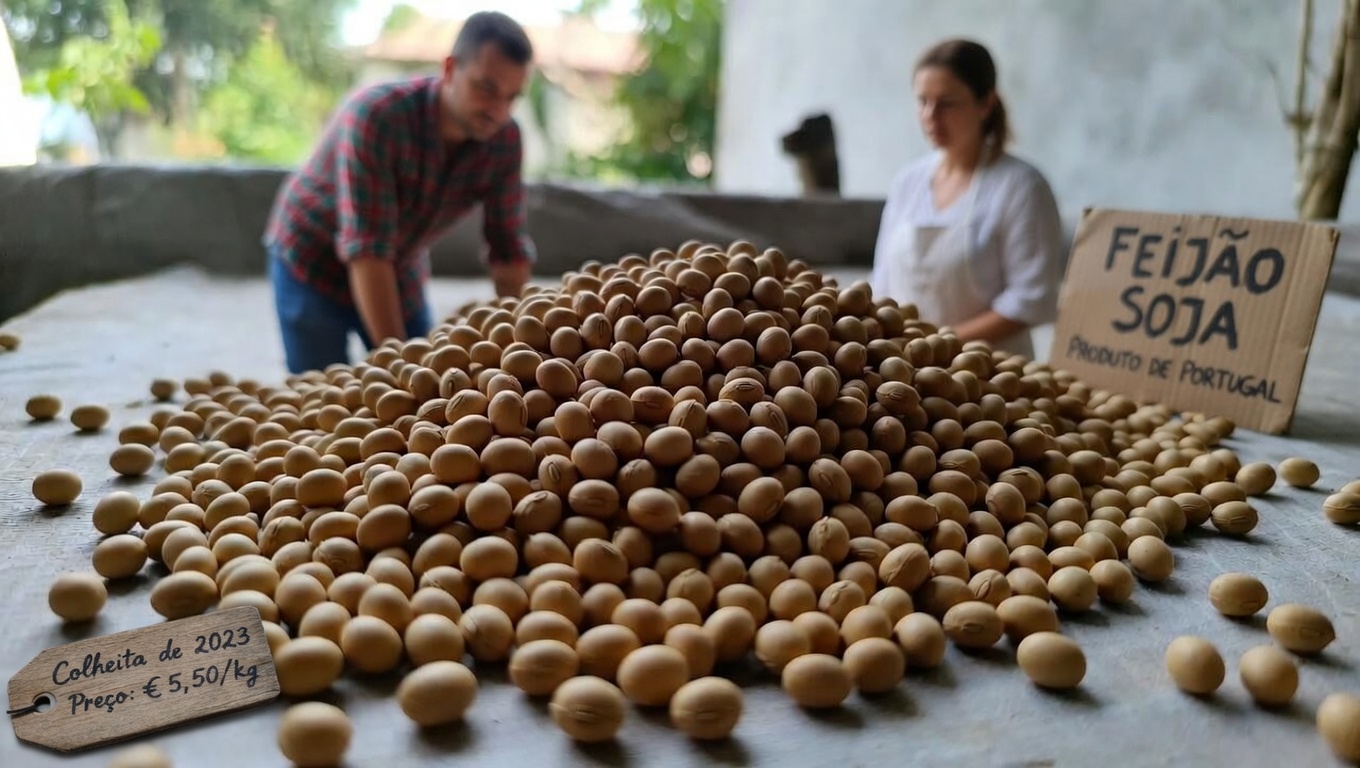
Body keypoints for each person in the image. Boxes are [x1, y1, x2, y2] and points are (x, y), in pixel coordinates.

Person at [263, 11, 537, 375]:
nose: (498, 111)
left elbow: (507, 247)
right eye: (486, 89)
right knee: (321, 396)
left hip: (400, 259)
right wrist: (404, 370)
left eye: (512, 97)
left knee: (430, 373)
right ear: (450, 68)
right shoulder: (378, 116)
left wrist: (526, 344)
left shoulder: (504, 139)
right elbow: (368, 250)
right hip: (313, 258)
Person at [870, 38, 1064, 360]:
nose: (931, 116)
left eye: (946, 103)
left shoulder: (1022, 187)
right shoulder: (908, 182)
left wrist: (939, 345)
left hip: (992, 380)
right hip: (904, 370)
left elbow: (1031, 299)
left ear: (985, 104)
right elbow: (882, 284)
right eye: (922, 102)